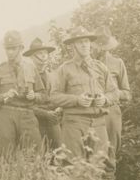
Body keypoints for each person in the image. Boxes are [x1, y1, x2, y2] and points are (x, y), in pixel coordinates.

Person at [47, 26, 120, 169]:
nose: (84, 45)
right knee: (73, 167)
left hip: (99, 123)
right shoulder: (65, 69)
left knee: (100, 166)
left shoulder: (100, 67)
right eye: (80, 42)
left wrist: (104, 99)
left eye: (86, 41)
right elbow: (54, 97)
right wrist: (76, 100)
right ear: (73, 45)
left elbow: (115, 93)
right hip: (74, 124)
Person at [0, 30, 43, 159]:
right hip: (6, 115)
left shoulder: (31, 68)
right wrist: (4, 96)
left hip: (27, 115)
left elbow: (44, 95)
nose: (9, 52)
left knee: (34, 156)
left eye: (13, 48)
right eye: (7, 49)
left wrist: (35, 96)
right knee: (7, 157)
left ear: (21, 48)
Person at [94, 26, 132, 169]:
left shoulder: (118, 63)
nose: (101, 50)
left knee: (110, 154)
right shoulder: (88, 64)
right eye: (98, 46)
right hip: (92, 113)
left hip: (111, 113)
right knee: (93, 155)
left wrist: (113, 94)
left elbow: (127, 94)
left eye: (104, 46)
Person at [23, 37, 62, 152]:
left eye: (45, 53)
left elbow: (56, 96)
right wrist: (45, 113)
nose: (44, 56)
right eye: (40, 53)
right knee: (39, 155)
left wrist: (59, 107)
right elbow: (25, 105)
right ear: (32, 57)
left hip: (53, 119)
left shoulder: (52, 76)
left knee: (58, 153)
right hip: (35, 121)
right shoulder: (27, 77)